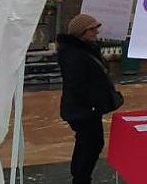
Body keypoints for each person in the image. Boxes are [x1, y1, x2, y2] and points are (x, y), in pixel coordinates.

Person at [57, 13, 122, 184]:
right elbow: (77, 84)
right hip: (83, 110)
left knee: (88, 143)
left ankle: (80, 176)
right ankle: (81, 178)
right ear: (81, 32)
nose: (96, 32)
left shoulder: (84, 49)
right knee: (91, 144)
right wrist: (95, 103)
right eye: (92, 29)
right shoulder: (75, 54)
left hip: (86, 109)